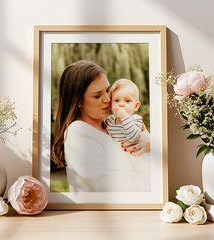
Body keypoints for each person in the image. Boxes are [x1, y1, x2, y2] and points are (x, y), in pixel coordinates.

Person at [51, 60, 150, 192]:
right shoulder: (78, 133)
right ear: (78, 101)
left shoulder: (112, 124)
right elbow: (116, 190)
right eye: (97, 96)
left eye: (108, 90)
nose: (108, 99)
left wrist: (149, 144)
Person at [105, 78, 143, 145]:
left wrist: (125, 117)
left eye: (127, 101)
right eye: (116, 100)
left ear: (136, 106)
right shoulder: (109, 120)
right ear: (110, 105)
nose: (121, 104)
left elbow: (134, 138)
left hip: (130, 154)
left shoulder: (136, 119)